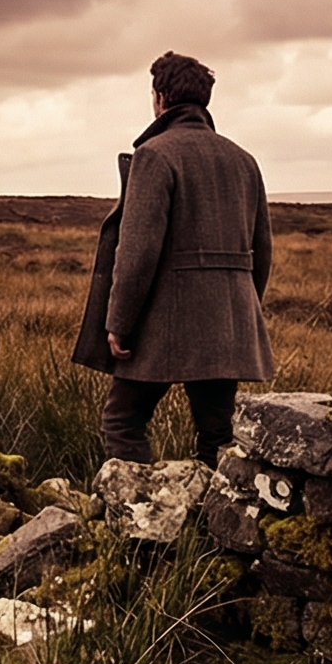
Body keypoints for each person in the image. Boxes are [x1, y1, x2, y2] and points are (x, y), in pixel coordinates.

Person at [72, 51, 274, 465]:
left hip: (164, 325)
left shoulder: (155, 154)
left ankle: (140, 516)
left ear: (160, 96)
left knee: (122, 420)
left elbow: (137, 250)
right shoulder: (243, 160)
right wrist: (238, 311)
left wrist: (119, 324)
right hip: (227, 322)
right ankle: (213, 520)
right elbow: (262, 251)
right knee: (217, 435)